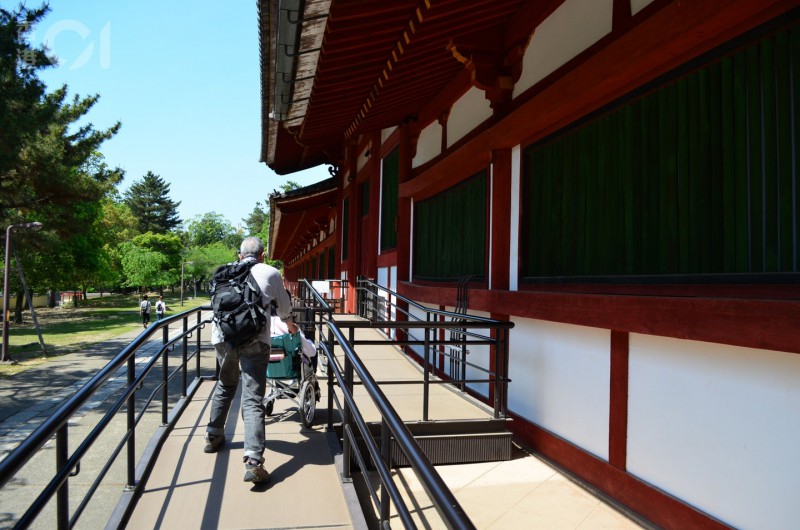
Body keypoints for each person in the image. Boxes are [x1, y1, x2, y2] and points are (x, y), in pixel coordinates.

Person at [204, 236, 297, 484]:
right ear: (263, 254)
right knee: (252, 398)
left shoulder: (223, 272)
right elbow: (285, 309)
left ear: (239, 254)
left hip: (223, 338)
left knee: (225, 385)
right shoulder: (270, 272)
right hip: (256, 340)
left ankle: (213, 435)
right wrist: (290, 326)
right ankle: (253, 461)